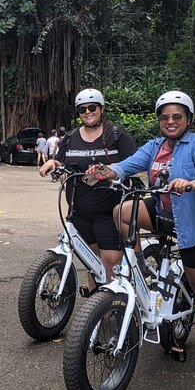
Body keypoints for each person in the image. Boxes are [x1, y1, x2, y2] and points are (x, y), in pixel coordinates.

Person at [87, 90, 195, 375]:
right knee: (121, 211)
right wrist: (105, 171)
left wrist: (191, 183)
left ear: (188, 118)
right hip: (164, 213)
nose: (170, 121)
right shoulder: (155, 146)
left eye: (177, 116)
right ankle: (138, 269)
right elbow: (126, 166)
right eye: (165, 117)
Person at [39, 88, 137, 282]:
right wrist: (53, 163)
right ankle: (96, 308)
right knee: (92, 262)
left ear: (101, 108)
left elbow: (134, 164)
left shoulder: (117, 135)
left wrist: (110, 170)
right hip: (79, 211)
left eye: (92, 107)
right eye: (82, 109)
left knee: (111, 261)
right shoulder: (71, 137)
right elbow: (61, 162)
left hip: (109, 211)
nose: (88, 112)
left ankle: (114, 306)